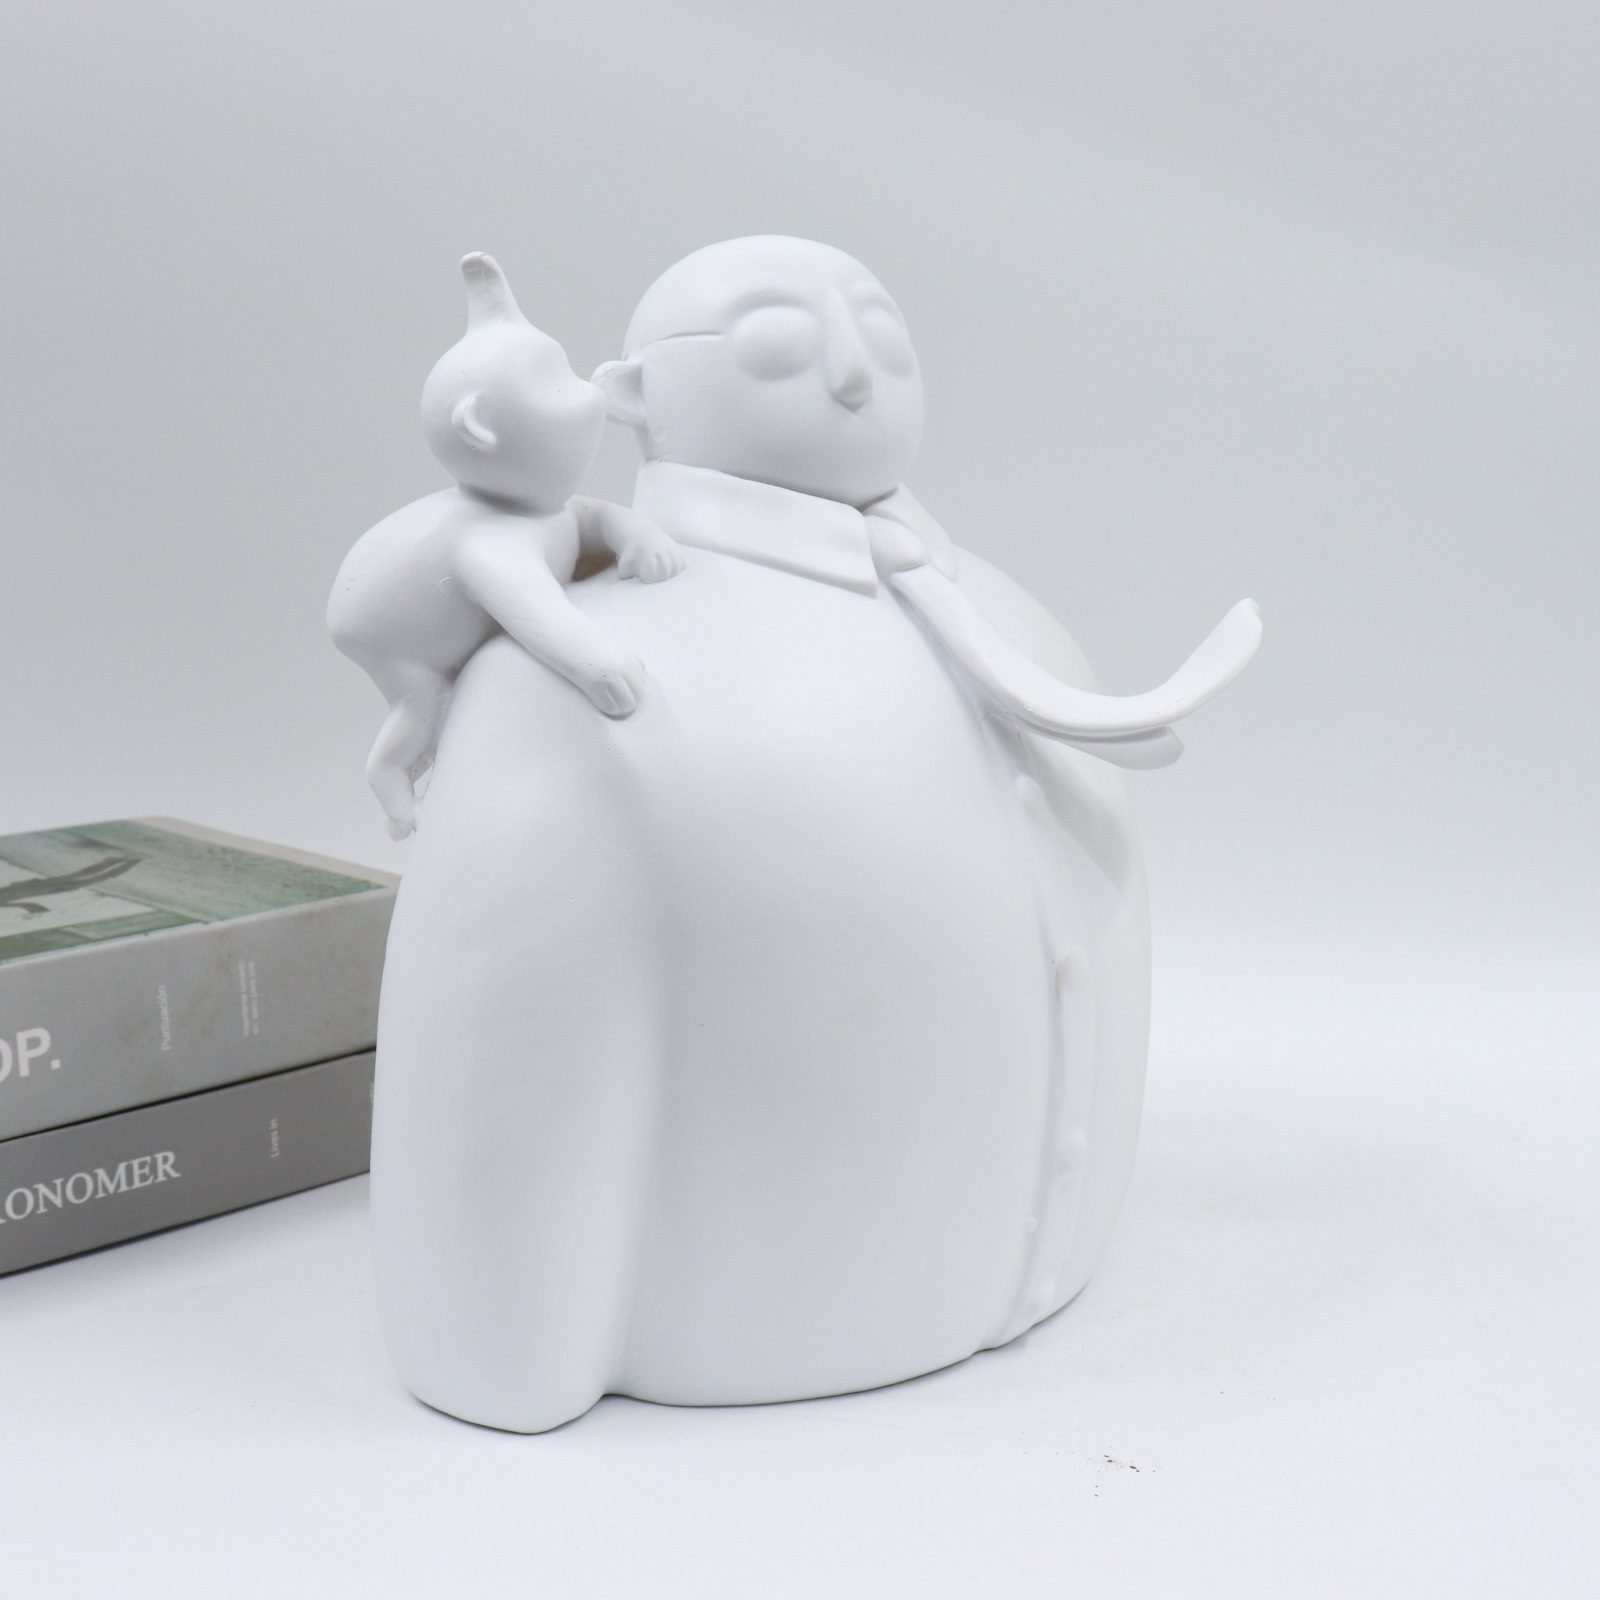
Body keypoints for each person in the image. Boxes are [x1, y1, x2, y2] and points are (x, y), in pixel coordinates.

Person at [366, 236, 1258, 1432]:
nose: (851, 370)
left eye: (880, 332)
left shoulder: (1017, 623)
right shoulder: (587, 675)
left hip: (1045, 1323)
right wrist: (496, 1358)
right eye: (777, 342)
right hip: (750, 1337)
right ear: (631, 395)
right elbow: (498, 1039)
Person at [328, 253, 683, 839]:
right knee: (422, 701)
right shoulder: (493, 541)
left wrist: (632, 532)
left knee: (434, 705)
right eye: (554, 386)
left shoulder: (539, 512)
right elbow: (535, 610)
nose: (590, 395)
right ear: (480, 430)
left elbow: (590, 518)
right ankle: (389, 777)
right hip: (383, 630)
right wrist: (599, 665)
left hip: (382, 599)